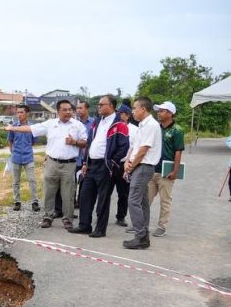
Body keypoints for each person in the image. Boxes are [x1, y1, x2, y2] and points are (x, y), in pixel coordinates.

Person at [6, 100, 87, 229]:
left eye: (70, 110)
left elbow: (85, 142)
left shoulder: (78, 125)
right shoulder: (50, 124)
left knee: (68, 193)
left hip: (69, 164)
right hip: (52, 163)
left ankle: (67, 219)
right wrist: (12, 128)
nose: (68, 112)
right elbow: (30, 129)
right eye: (65, 110)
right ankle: (48, 217)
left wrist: (74, 142)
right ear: (58, 111)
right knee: (49, 191)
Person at [70, 95, 128, 237]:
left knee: (103, 199)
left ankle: (100, 229)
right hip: (91, 165)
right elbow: (90, 143)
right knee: (85, 195)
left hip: (105, 166)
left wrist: (112, 163)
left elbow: (124, 147)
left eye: (102, 104)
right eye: (99, 105)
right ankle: (84, 225)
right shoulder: (97, 121)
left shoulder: (120, 124)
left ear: (111, 106)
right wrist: (85, 162)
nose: (99, 107)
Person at [122, 97, 162, 250]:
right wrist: (127, 161)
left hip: (143, 166)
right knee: (143, 200)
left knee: (133, 200)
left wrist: (131, 168)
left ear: (143, 109)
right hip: (138, 165)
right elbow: (134, 147)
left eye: (134, 108)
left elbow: (143, 150)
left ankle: (140, 236)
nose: (132, 111)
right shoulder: (142, 125)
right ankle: (143, 234)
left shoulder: (151, 125)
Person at [147, 101, 184, 237]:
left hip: (166, 171)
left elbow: (178, 152)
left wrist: (175, 171)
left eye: (162, 111)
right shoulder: (156, 127)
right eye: (158, 111)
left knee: (165, 200)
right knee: (146, 199)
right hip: (152, 168)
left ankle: (162, 226)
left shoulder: (177, 130)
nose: (158, 113)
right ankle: (141, 224)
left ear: (170, 113)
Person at [6, 104, 39, 212]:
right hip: (16, 157)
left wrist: (26, 148)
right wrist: (12, 151)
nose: (19, 114)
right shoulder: (13, 127)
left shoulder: (32, 127)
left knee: (32, 180)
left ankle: (34, 202)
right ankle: (17, 202)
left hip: (28, 156)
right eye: (18, 112)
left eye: (21, 112)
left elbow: (33, 142)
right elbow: (10, 140)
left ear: (27, 114)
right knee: (16, 181)